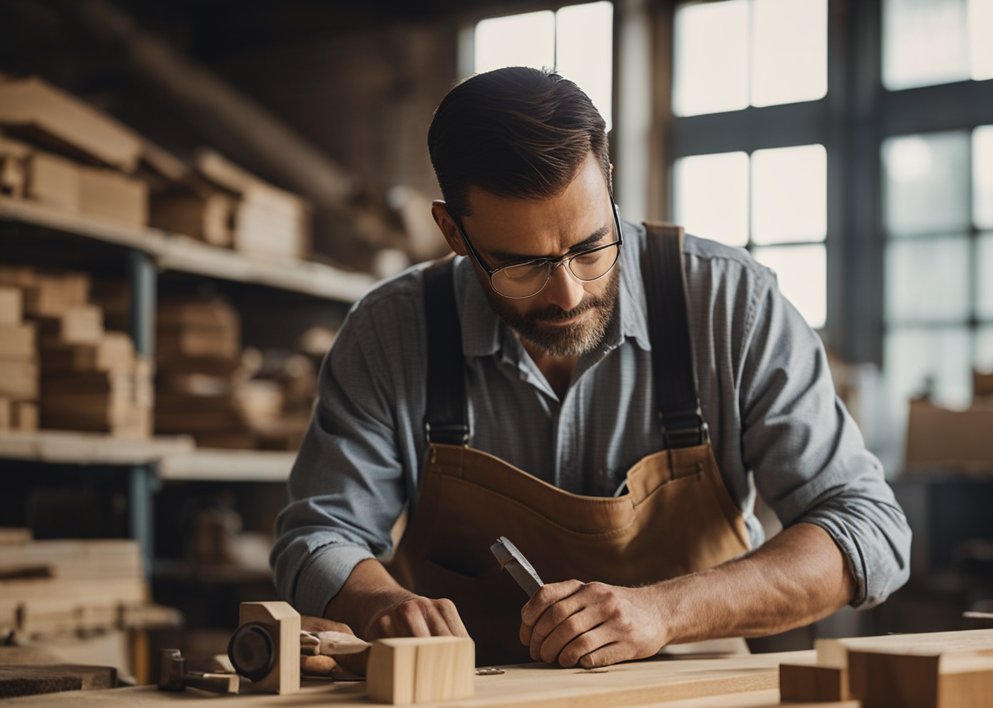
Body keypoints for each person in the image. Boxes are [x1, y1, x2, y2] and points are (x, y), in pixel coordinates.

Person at [271, 66, 910, 669]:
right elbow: (319, 535)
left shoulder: (730, 305)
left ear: (608, 185)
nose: (568, 293)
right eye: (521, 263)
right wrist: (380, 605)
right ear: (453, 233)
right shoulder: (393, 331)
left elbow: (867, 531)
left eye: (589, 245)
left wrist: (662, 610)